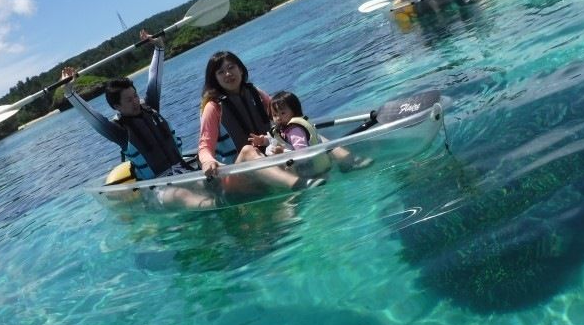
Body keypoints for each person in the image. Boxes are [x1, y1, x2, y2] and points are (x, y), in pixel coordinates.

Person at [62, 31, 216, 208]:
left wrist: (159, 48)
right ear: (116, 106)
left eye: (135, 96)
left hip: (183, 171)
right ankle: (213, 207)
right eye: (128, 100)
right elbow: (92, 116)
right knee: (182, 194)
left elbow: (155, 78)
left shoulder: (150, 109)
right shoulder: (120, 132)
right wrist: (69, 93)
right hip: (157, 189)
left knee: (210, 183)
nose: (135, 101)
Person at [197, 51, 325, 190]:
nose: (228, 74)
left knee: (305, 131)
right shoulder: (213, 108)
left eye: (231, 68)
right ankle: (299, 184)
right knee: (248, 150)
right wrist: (207, 161)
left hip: (266, 159)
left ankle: (348, 160)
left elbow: (282, 119)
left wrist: (302, 130)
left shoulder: (255, 93)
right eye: (221, 72)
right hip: (234, 175)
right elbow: (204, 148)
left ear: (240, 69)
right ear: (215, 79)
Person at [252, 91, 373, 176]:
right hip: (311, 167)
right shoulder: (283, 128)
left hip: (310, 171)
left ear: (294, 112)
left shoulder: (295, 131)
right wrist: (264, 141)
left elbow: (303, 154)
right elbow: (276, 139)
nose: (278, 118)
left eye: (282, 113)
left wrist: (283, 153)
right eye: (275, 115)